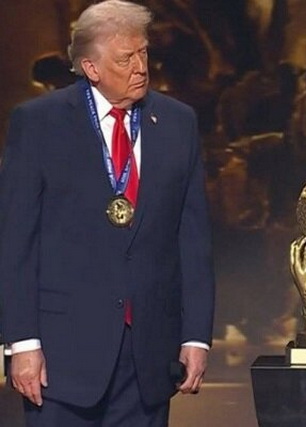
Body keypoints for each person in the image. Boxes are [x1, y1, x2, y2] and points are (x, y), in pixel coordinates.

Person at [0, 1, 215, 426]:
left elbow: (193, 241)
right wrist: (21, 342)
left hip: (148, 359)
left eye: (143, 53)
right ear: (91, 68)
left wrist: (196, 337)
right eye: (125, 58)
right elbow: (16, 241)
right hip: (61, 358)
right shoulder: (39, 123)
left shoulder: (178, 123)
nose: (140, 68)